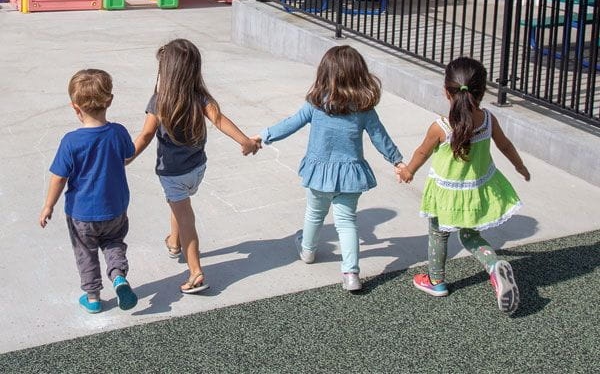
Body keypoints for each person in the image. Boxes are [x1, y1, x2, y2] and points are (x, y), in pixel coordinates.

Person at [253, 45, 404, 292]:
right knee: (347, 222)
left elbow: (290, 124)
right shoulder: (364, 109)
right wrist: (397, 160)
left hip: (319, 173)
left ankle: (308, 251)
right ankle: (351, 273)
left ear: (325, 74)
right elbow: (380, 137)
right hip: (350, 175)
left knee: (314, 214)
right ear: (360, 75)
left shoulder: (316, 104)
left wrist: (263, 136)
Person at [397, 57, 530, 314]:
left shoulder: (441, 127)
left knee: (438, 233)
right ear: (483, 91)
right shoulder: (488, 120)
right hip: (475, 191)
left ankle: (436, 281)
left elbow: (422, 152)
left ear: (447, 91)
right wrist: (519, 166)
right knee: (469, 235)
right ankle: (493, 264)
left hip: (445, 194)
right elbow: (505, 146)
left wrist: (408, 171)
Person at [128, 39, 260, 294]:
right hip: (197, 169)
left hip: (172, 173)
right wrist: (246, 142)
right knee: (178, 204)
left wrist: (125, 159)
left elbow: (145, 136)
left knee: (185, 216)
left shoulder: (159, 101)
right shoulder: (201, 97)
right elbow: (220, 120)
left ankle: (196, 272)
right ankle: (174, 242)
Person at [39, 69, 138, 314]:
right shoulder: (118, 132)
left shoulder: (71, 142)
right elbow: (128, 155)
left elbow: (59, 177)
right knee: (114, 243)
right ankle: (119, 277)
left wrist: (48, 205)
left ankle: (93, 297)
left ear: (75, 107)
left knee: (86, 252)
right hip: (115, 208)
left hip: (81, 213)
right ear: (110, 101)